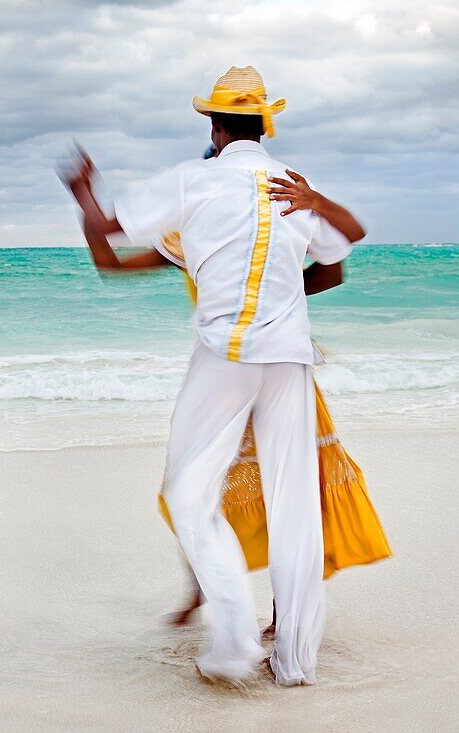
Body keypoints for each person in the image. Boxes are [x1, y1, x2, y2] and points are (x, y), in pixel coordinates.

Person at [62, 65, 360, 686]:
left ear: (216, 125)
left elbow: (108, 234)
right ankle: (295, 663)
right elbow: (340, 252)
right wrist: (310, 228)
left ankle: (234, 643)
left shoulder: (195, 180)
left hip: (227, 354)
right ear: (263, 125)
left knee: (188, 495)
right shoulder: (293, 186)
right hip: (290, 358)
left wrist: (83, 192)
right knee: (295, 505)